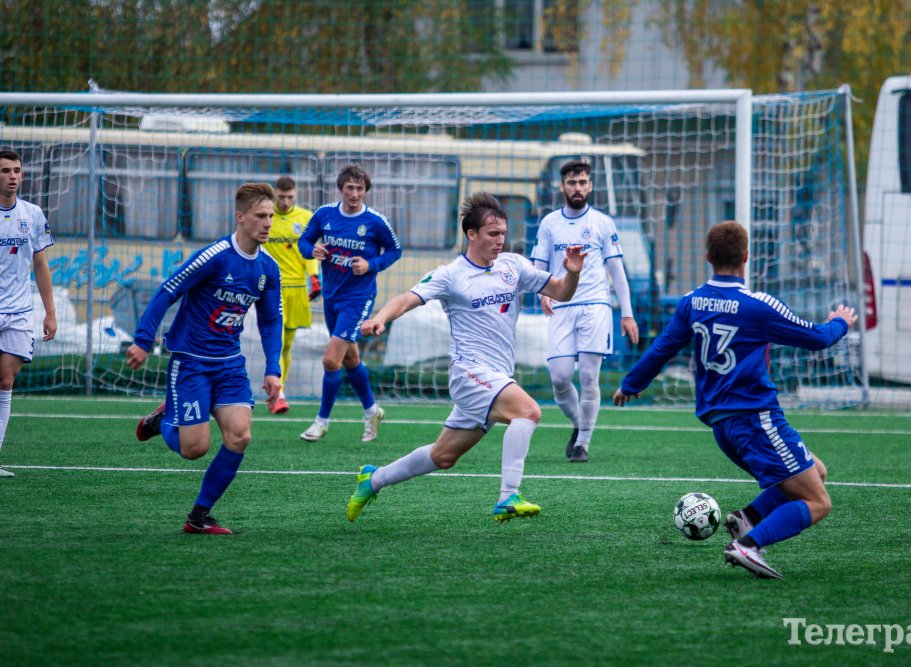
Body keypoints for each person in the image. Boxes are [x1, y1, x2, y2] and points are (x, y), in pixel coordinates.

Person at [612, 221, 857, 579]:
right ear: (746, 256)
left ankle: (746, 519)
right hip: (756, 419)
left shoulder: (691, 302)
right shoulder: (757, 306)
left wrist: (632, 384)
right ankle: (749, 545)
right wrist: (840, 322)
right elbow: (818, 338)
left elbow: (663, 348)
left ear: (708, 256)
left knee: (816, 471)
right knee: (818, 501)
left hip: (722, 426)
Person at [346, 192, 586, 524]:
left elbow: (561, 291)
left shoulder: (513, 266)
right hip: (469, 372)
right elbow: (407, 298)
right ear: (471, 234)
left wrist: (572, 273)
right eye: (493, 234)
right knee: (528, 411)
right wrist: (381, 318)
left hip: (496, 377)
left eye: (503, 233)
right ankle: (508, 496)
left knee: (442, 456)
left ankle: (373, 479)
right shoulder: (451, 274)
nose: (500, 240)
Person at [126, 183, 283, 534]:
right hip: (192, 362)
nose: (268, 223)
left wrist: (273, 370)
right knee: (194, 448)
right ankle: (160, 422)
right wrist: (143, 340)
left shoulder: (268, 269)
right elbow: (168, 290)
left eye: (271, 216)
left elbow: (272, 321)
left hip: (229, 364)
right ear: (240, 217)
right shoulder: (214, 256)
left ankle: (199, 516)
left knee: (240, 436)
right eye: (261, 216)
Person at [531, 160, 639, 463]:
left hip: (595, 306)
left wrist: (627, 313)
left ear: (590, 186)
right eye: (571, 183)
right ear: (562, 187)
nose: (577, 188)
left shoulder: (603, 223)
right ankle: (579, 423)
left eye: (582, 183)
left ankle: (583, 443)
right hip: (561, 306)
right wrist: (542, 291)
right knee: (560, 377)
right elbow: (539, 265)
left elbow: (616, 270)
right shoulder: (549, 223)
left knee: (590, 377)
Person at [297, 164, 401, 443]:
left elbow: (395, 250)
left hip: (358, 299)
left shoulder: (375, 221)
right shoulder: (324, 214)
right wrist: (312, 250)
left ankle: (321, 422)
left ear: (366, 191)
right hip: (331, 295)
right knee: (351, 358)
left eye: (360, 188)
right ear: (341, 189)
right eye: (350, 188)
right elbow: (303, 241)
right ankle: (372, 412)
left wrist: (370, 265)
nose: (355, 194)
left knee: (331, 359)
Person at [0, 149, 57, 478]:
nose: (12, 176)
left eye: (17, 170)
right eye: (5, 170)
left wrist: (50, 312)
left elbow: (40, 264)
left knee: (6, 380)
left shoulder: (32, 214)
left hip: (19, 311)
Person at [265, 175, 321, 415]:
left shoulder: (305, 217)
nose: (286, 202)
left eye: (290, 197)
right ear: (274, 194)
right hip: (273, 289)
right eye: (281, 197)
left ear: (295, 195)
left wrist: (314, 278)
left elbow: (308, 251)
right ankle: (279, 394)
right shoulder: (265, 216)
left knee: (287, 345)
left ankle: (279, 389)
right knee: (277, 342)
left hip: (298, 289)